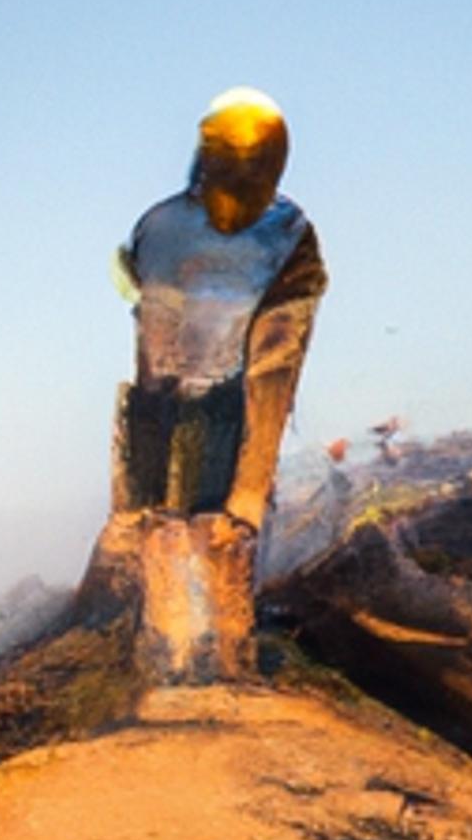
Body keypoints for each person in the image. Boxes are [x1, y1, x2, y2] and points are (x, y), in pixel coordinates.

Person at [100, 89, 325, 684]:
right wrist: (250, 492)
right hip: (210, 410)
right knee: (210, 536)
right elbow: (276, 366)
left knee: (169, 532)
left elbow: (128, 287)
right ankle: (215, 667)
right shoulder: (289, 234)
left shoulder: (157, 224)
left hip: (165, 410)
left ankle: (180, 665)